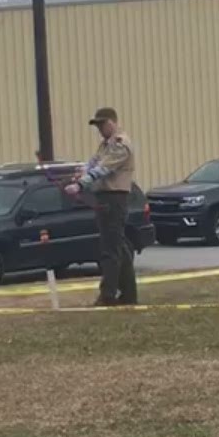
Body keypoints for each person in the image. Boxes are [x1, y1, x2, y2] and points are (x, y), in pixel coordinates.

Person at [66, 106, 138, 306]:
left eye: (101, 125)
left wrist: (80, 184)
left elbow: (104, 168)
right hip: (105, 197)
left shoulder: (119, 144)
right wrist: (81, 173)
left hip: (114, 198)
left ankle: (108, 295)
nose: (99, 129)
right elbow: (94, 163)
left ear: (112, 123)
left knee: (110, 250)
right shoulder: (105, 145)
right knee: (120, 248)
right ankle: (129, 294)